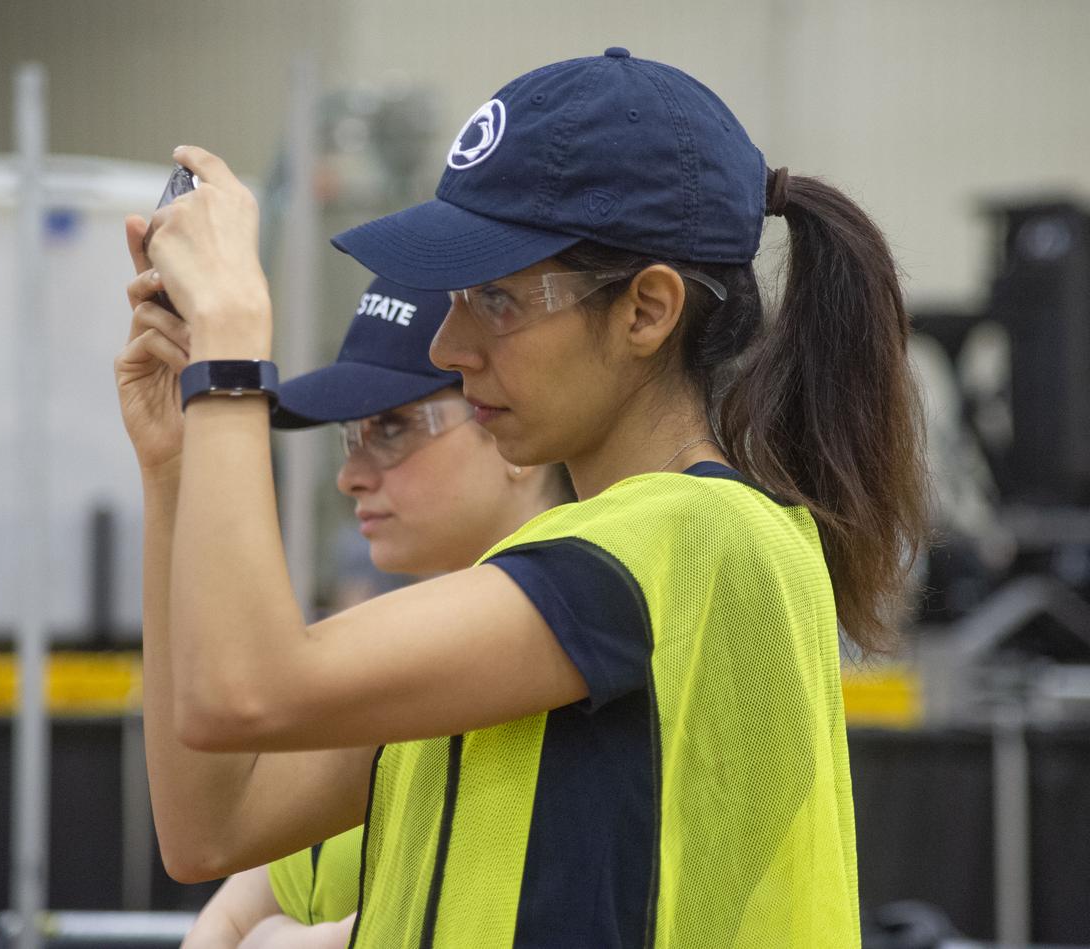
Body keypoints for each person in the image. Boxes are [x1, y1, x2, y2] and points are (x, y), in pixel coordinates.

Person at [116, 48, 926, 947]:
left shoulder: (699, 532)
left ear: (647, 311)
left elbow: (246, 689)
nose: (449, 346)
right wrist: (176, 468)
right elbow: (208, 827)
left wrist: (232, 342)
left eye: (496, 299)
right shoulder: (539, 595)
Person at [179, 277, 573, 948]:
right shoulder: (400, 672)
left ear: (502, 413)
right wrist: (166, 461)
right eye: (350, 436)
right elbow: (210, 866)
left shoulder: (580, 636)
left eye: (391, 427)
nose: (351, 474)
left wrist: (297, 940)